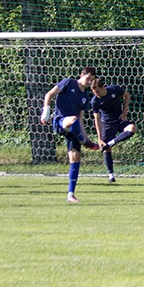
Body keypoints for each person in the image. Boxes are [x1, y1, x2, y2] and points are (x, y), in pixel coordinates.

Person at [40, 66, 99, 202]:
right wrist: (45, 114)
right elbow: (49, 94)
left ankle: (70, 194)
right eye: (88, 78)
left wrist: (86, 137)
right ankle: (83, 141)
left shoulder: (85, 97)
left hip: (74, 128)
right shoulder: (68, 83)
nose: (89, 82)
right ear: (82, 75)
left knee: (75, 159)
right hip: (60, 122)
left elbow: (81, 119)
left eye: (92, 80)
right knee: (72, 119)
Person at [90, 78, 137, 183]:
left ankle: (111, 143)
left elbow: (127, 95)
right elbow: (97, 119)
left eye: (98, 91)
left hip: (119, 119)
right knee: (106, 149)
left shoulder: (114, 89)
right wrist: (99, 138)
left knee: (132, 128)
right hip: (107, 124)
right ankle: (111, 175)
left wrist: (124, 112)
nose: (96, 94)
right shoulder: (95, 101)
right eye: (94, 92)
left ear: (103, 87)